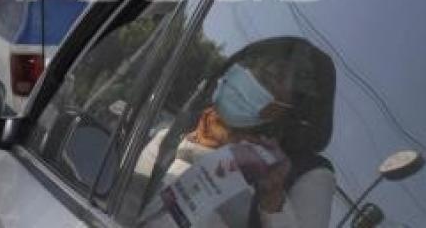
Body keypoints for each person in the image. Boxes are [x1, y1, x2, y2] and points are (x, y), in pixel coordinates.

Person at [137, 37, 337, 228]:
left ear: (292, 109)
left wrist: (273, 202)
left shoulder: (302, 175)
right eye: (251, 65)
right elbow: (128, 205)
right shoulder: (179, 132)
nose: (251, 77)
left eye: (272, 77)